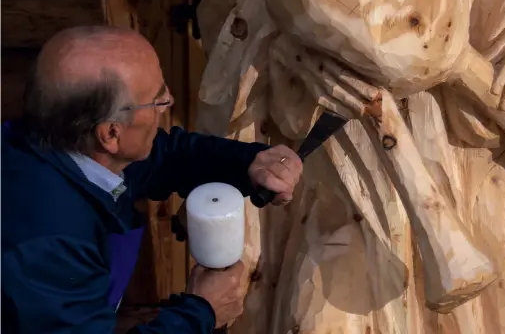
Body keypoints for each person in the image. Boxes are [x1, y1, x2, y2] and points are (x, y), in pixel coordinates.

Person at [1, 26, 303, 333]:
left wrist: (247, 163)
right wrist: (201, 311)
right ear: (111, 133)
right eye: (158, 101)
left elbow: (163, 157)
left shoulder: (62, 147)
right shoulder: (47, 244)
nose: (169, 100)